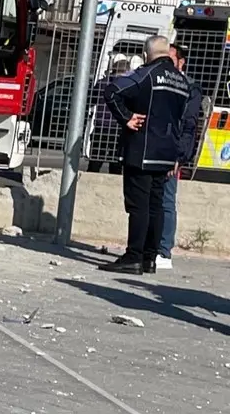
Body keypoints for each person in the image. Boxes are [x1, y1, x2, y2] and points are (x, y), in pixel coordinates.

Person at [99, 35, 199, 275]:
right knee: (156, 205)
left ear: (146, 54)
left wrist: (127, 117)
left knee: (138, 205)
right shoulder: (183, 82)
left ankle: (133, 256)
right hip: (167, 153)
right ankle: (150, 258)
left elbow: (112, 91)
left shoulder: (147, 73)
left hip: (143, 148)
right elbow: (187, 119)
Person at [158, 42, 203, 270]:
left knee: (166, 200)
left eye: (171, 59)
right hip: (154, 150)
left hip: (172, 152)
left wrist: (179, 157)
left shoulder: (190, 88)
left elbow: (189, 125)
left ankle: (164, 252)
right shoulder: (159, 80)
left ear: (181, 62)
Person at [87, 58, 133, 174]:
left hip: (101, 128)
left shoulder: (103, 83)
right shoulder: (128, 85)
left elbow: (91, 101)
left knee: (95, 162)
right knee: (116, 164)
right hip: (119, 128)